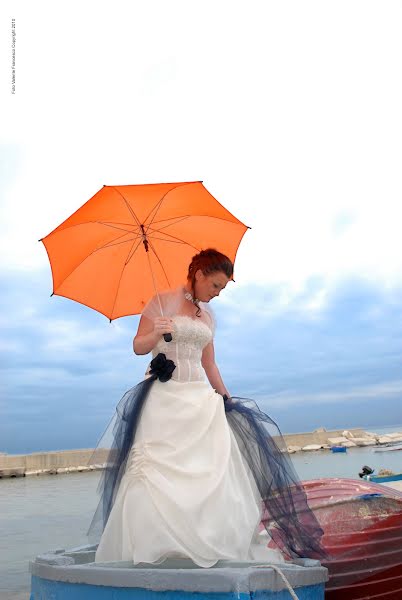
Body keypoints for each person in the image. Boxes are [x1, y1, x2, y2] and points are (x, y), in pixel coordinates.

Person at [90, 248, 325, 566]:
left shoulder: (208, 317)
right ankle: (154, 550)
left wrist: (226, 397)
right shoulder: (161, 302)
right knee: (154, 474)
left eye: (222, 288)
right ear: (199, 275)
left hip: (199, 396)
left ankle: (208, 544)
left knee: (214, 471)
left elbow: (210, 364)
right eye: (215, 285)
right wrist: (156, 332)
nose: (217, 294)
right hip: (163, 398)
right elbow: (137, 346)